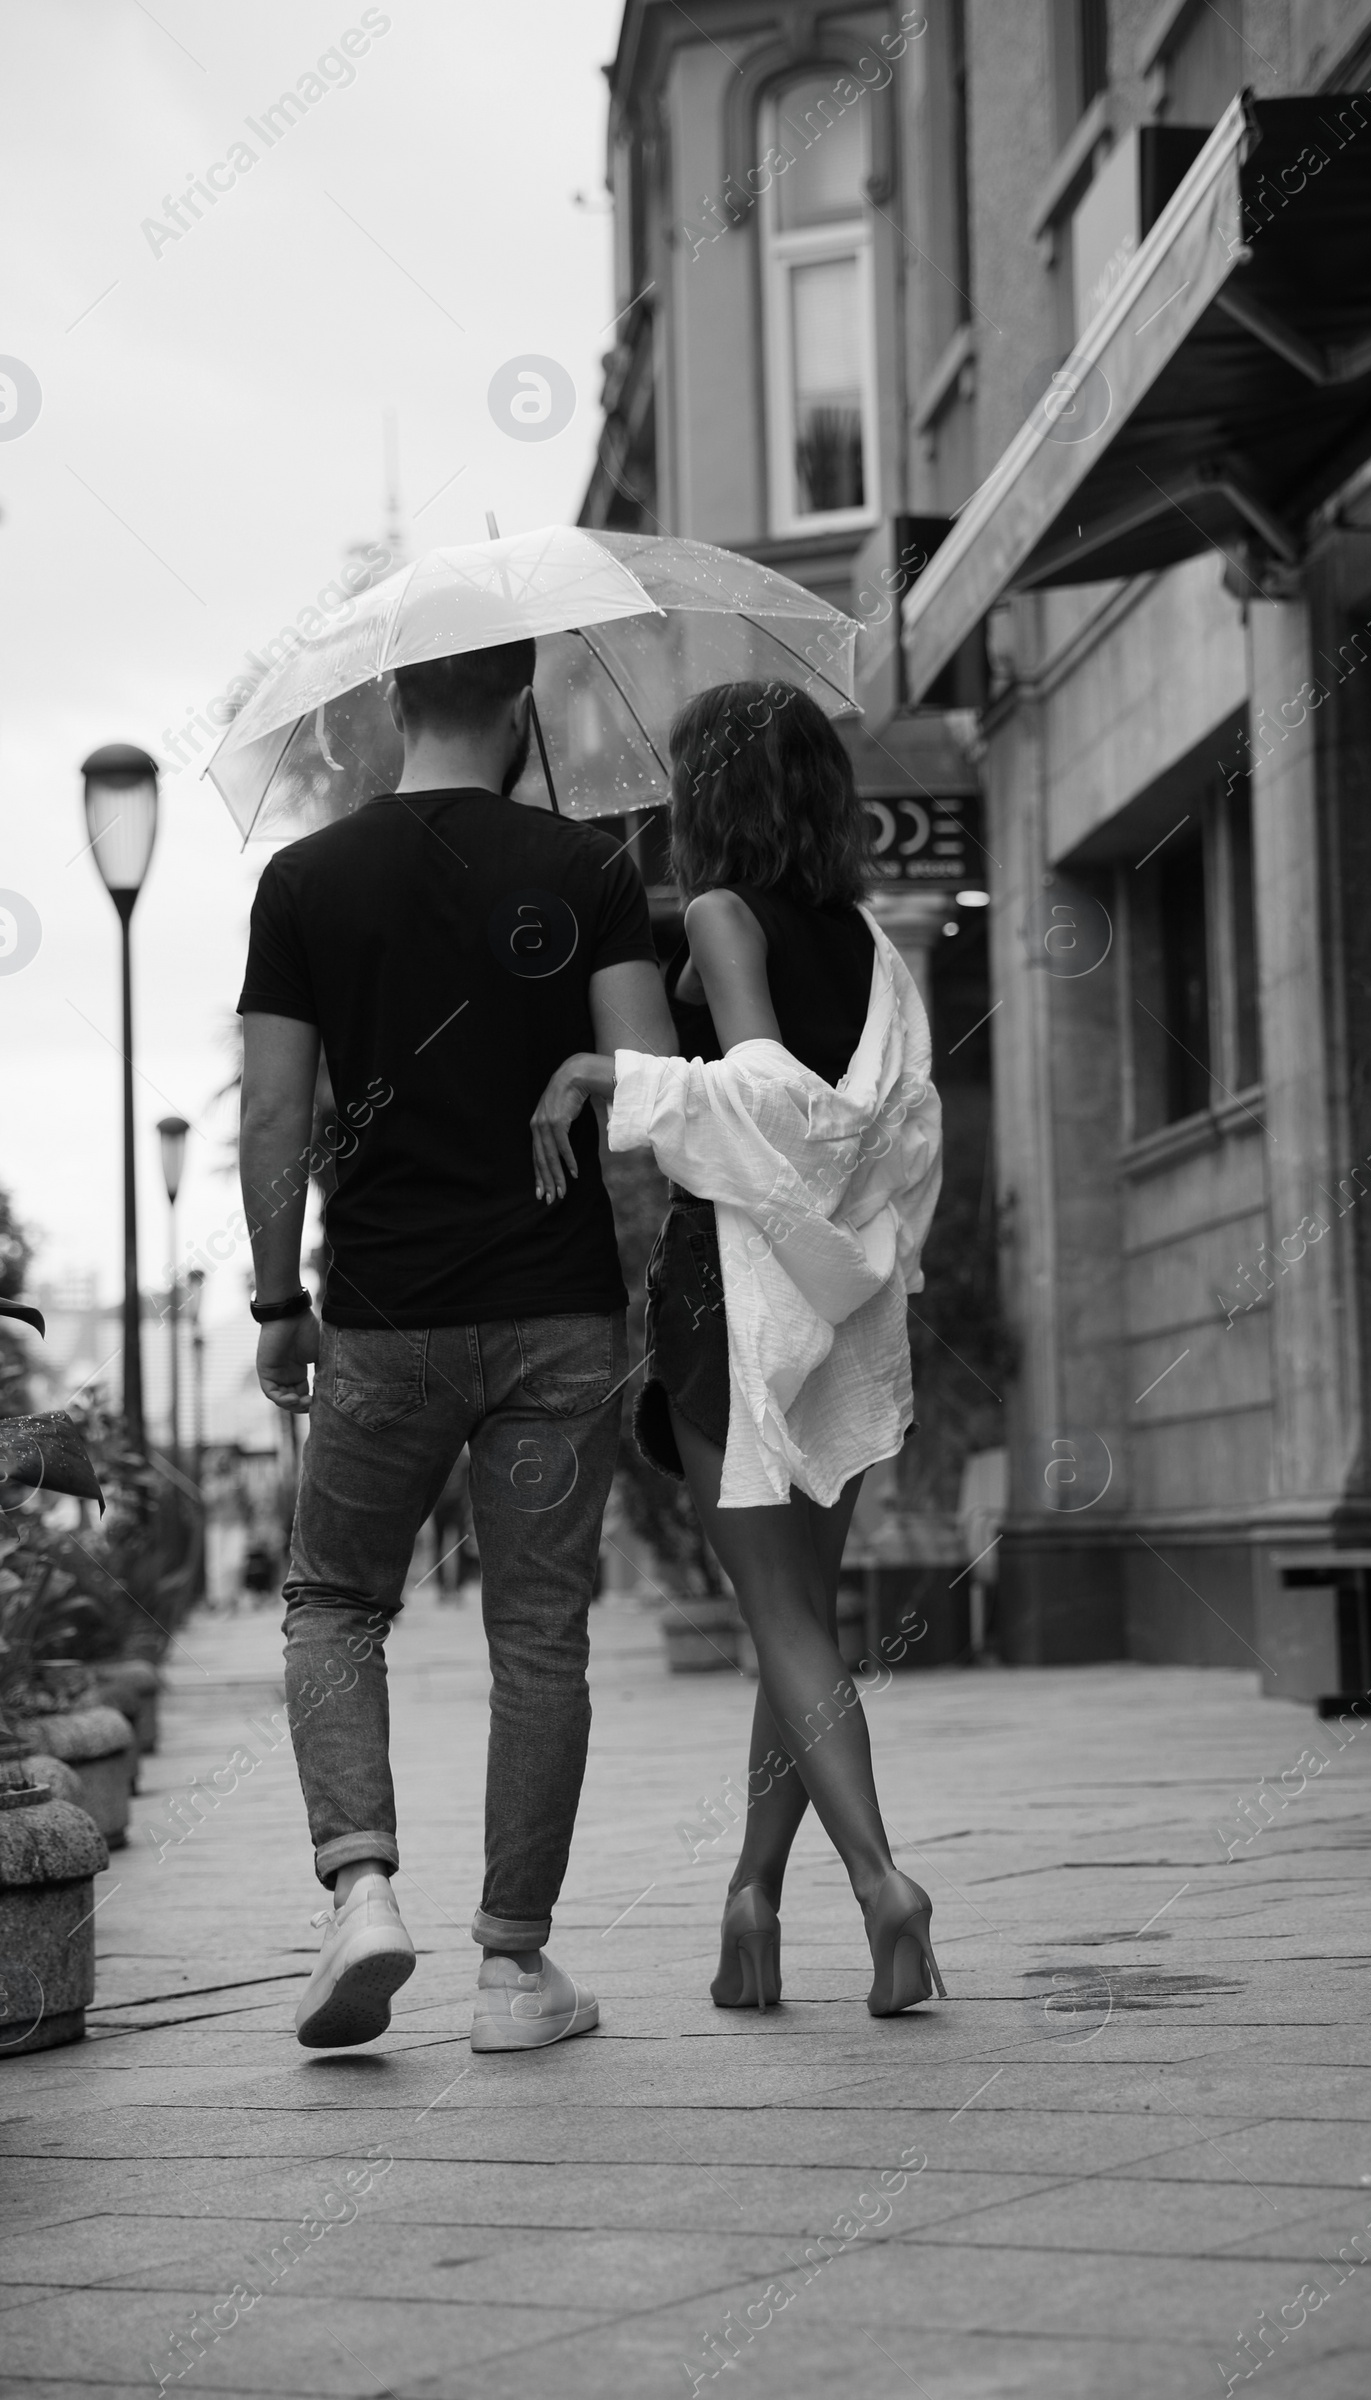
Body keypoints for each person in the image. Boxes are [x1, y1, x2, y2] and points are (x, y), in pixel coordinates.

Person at [237, 636, 676, 2053]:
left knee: (335, 1604)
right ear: (521, 701)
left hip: (384, 1316)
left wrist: (273, 1303)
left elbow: (272, 1121)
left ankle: (361, 1889)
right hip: (558, 1306)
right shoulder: (589, 872)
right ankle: (511, 1973)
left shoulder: (304, 885)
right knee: (540, 1634)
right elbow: (655, 1098)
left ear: (388, 702)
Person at [530, 681, 946, 2017]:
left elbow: (763, 1101)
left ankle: (885, 1885)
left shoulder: (718, 916)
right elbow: (882, 1128)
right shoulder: (873, 943)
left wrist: (623, 1076)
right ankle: (752, 1908)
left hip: (741, 1300)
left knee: (780, 1621)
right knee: (801, 1626)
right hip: (853, 1306)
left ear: (708, 796)